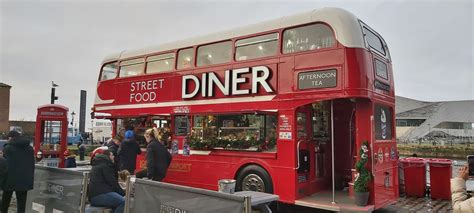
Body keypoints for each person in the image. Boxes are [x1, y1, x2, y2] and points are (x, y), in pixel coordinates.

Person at [1, 130, 35, 213]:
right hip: (24, 180)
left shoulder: (7, 148)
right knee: (21, 205)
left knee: (5, 202)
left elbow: (4, 165)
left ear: (11, 138)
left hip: (9, 180)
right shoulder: (30, 149)